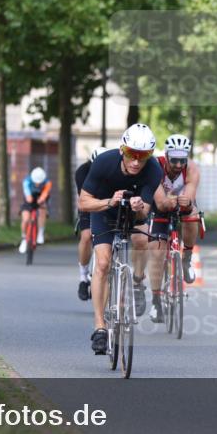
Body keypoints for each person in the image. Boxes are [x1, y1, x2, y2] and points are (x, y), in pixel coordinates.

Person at [77, 124, 162, 355]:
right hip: (104, 211)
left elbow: (145, 210)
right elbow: (83, 203)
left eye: (142, 156)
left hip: (132, 214)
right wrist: (109, 201)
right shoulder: (104, 162)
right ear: (122, 149)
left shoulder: (154, 170)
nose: (136, 161)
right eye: (131, 154)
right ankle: (100, 328)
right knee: (103, 263)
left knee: (143, 241)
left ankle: (136, 282)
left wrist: (138, 206)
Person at [147, 134, 203, 323]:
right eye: (174, 160)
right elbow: (161, 203)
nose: (178, 165)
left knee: (193, 215)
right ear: (166, 155)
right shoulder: (154, 167)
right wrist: (166, 201)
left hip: (182, 203)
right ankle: (155, 301)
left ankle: (186, 258)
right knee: (156, 253)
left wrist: (185, 202)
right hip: (160, 205)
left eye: (182, 160)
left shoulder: (192, 169)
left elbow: (189, 196)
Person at [75, 146, 109, 301]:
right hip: (89, 205)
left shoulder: (114, 169)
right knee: (87, 236)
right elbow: (84, 200)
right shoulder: (82, 172)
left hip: (107, 206)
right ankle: (83, 277)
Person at [18, 167, 51, 254]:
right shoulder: (27, 181)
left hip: (41, 197)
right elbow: (27, 192)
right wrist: (29, 197)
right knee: (25, 218)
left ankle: (40, 232)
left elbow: (45, 193)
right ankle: (24, 238)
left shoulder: (47, 182)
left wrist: (42, 199)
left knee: (42, 209)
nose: (37, 184)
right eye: (36, 182)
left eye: (39, 183)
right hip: (30, 197)